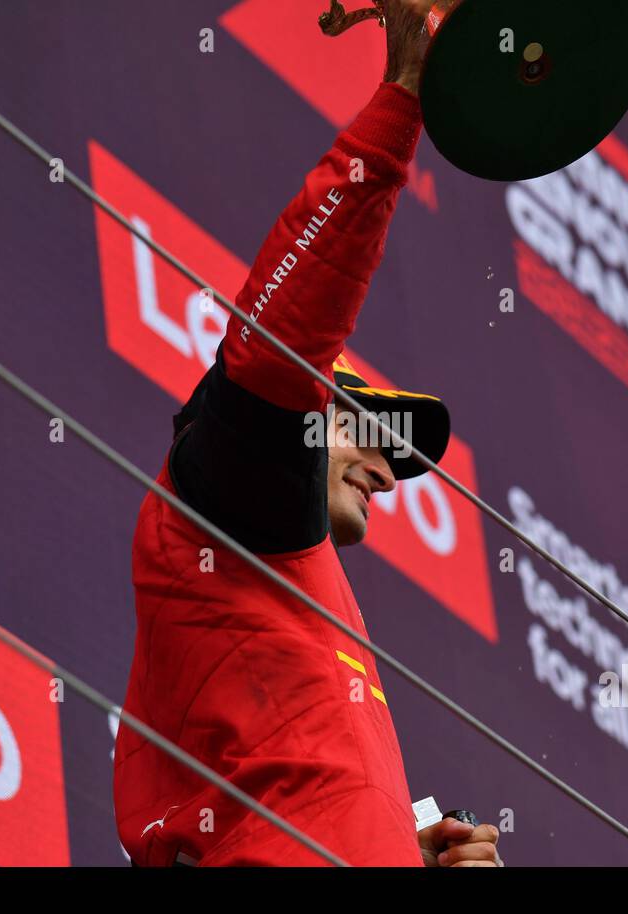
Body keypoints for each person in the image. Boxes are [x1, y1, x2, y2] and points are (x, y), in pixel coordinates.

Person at [114, 0, 501, 867]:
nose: (391, 475)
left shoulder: (300, 593)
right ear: (302, 420)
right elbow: (287, 330)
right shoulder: (229, 498)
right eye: (367, 430)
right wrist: (403, 96)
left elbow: (290, 806)